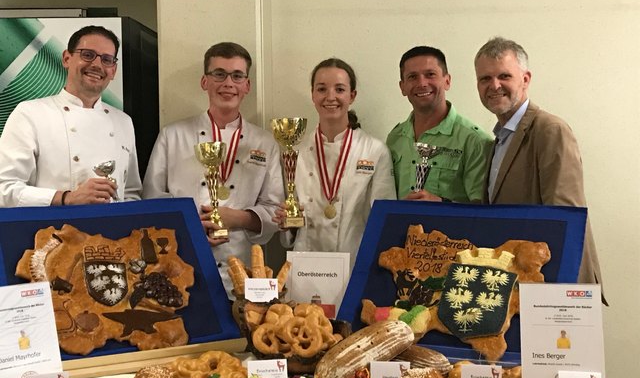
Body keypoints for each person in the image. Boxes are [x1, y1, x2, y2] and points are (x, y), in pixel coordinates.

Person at [143, 42, 283, 296]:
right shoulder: (172, 136)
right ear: (204, 82)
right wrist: (192, 226)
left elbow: (275, 209)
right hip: (180, 261)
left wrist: (237, 218)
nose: (228, 83)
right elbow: (152, 200)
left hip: (243, 271)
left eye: (237, 76)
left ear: (247, 86)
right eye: (219, 74)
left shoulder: (266, 142)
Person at [474, 36, 604, 290]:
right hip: (521, 280)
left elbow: (564, 217)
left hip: (555, 284)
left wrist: (554, 295)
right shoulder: (498, 141)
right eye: (485, 79)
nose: (494, 85)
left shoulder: (550, 130)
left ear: (525, 79)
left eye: (504, 76)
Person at [273, 58, 396, 269]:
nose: (331, 97)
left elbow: (383, 221)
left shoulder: (375, 151)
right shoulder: (296, 152)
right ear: (313, 94)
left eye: (339, 89)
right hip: (305, 264)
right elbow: (289, 231)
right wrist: (287, 224)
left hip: (355, 264)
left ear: (352, 96)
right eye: (322, 89)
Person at [0, 25, 142, 207]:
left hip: (111, 234)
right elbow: (4, 189)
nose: (97, 65)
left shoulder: (123, 122)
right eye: (88, 55)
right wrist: (67, 198)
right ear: (67, 58)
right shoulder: (30, 114)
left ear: (113, 70)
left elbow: (131, 194)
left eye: (107, 60)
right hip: (52, 232)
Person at [386, 46, 493, 202]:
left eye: (430, 75)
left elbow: (482, 211)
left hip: (451, 227)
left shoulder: (475, 141)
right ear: (402, 87)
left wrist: (442, 204)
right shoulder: (395, 138)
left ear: (447, 81)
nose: (422, 83)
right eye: (412, 77)